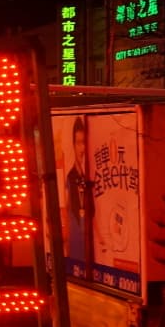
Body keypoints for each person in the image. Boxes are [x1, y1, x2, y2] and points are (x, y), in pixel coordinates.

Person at [64, 115, 94, 268]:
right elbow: (66, 210)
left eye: (84, 143)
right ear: (73, 145)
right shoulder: (70, 177)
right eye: (78, 143)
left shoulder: (91, 176)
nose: (82, 148)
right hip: (75, 247)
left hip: (91, 249)